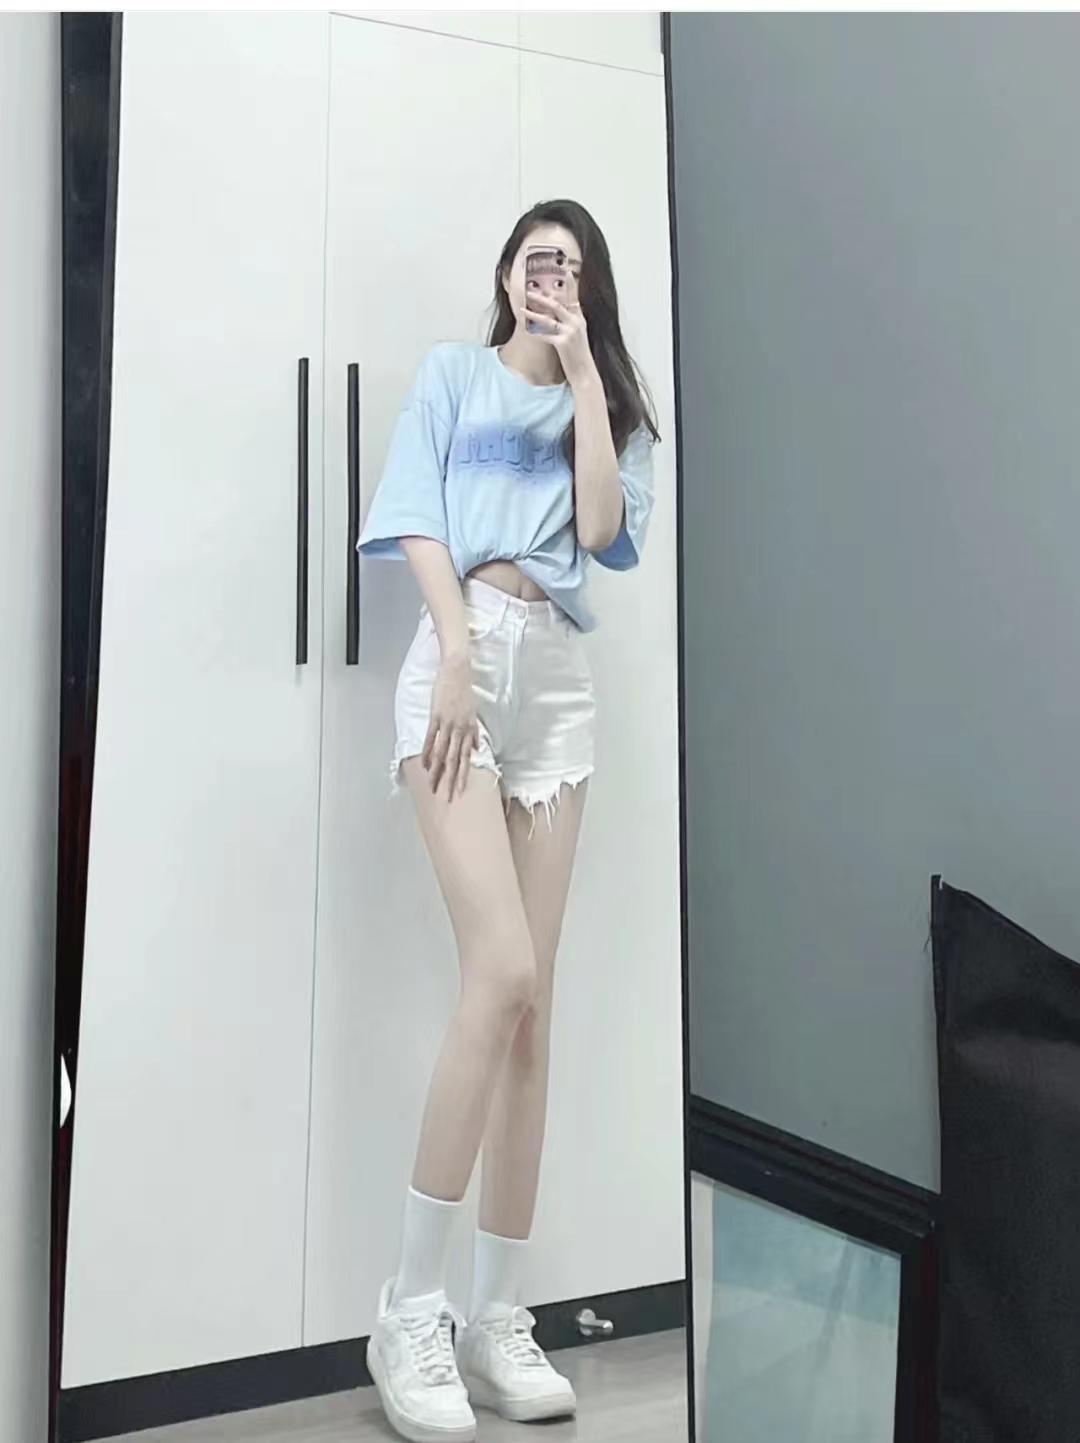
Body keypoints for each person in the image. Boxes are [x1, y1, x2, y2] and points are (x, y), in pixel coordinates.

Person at [356, 198, 659, 1443]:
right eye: (540, 258)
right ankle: (410, 1308)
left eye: (574, 267)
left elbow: (600, 530)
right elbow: (416, 518)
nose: (554, 277)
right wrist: (457, 651)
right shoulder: (452, 375)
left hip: (559, 686)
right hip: (462, 664)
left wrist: (586, 374)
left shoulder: (612, 408)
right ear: (505, 272)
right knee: (501, 971)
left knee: (536, 1011)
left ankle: (495, 1318)